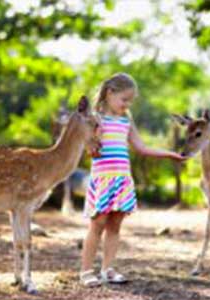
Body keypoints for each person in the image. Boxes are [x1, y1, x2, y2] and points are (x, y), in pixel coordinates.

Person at [79, 73, 186, 287]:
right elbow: (89, 148)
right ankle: (86, 272)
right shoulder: (96, 118)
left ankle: (107, 269)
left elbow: (141, 147)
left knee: (115, 226)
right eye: (124, 99)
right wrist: (94, 140)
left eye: (130, 101)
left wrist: (169, 154)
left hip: (122, 179)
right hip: (103, 178)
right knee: (97, 224)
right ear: (110, 93)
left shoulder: (126, 119)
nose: (127, 105)